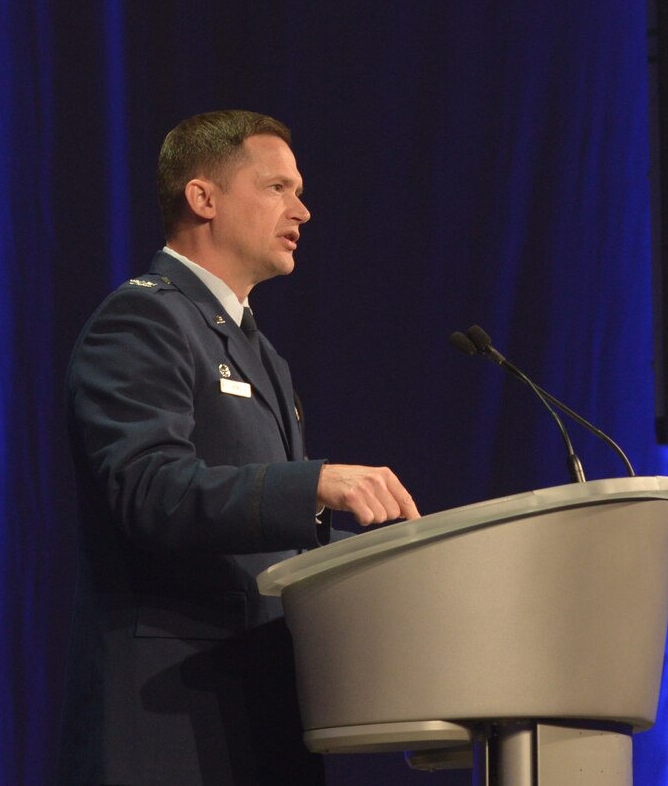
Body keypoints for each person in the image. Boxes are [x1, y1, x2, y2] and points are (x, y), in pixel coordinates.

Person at [61, 110, 419, 786]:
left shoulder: (263, 355)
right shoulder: (143, 319)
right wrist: (312, 484)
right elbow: (149, 490)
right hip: (168, 722)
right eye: (278, 187)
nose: (303, 210)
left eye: (299, 189)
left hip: (259, 719)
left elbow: (269, 547)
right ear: (204, 198)